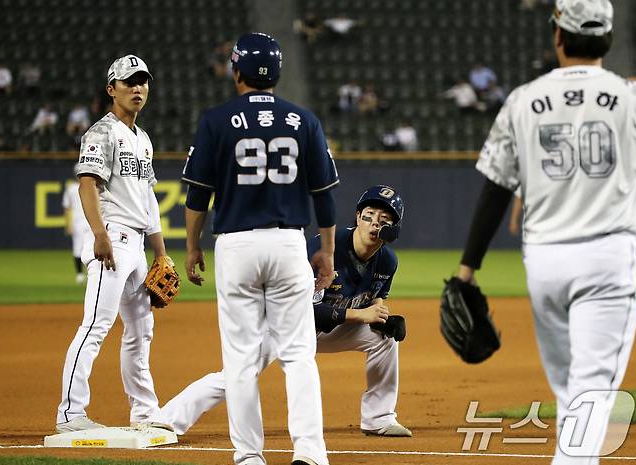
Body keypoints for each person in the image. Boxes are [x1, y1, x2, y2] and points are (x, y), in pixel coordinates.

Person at [456, 2, 636, 464]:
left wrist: (467, 268)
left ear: (558, 35)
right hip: (606, 260)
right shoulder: (632, 99)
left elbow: (496, 188)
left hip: (544, 264)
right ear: (609, 39)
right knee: (592, 390)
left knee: (571, 390)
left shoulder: (523, 100)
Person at [181, 33, 339, 465]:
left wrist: (193, 246)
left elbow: (197, 197)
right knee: (298, 355)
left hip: (236, 245)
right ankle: (309, 452)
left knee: (241, 359)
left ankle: (249, 455)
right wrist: (325, 250)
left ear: (237, 72)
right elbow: (324, 195)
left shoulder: (216, 120)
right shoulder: (303, 120)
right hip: (289, 243)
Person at [152, 185, 411, 439]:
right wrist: (360, 315)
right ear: (358, 217)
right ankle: (167, 419)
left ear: (394, 230)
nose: (375, 223)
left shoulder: (388, 261)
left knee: (384, 340)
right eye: (369, 215)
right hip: (280, 324)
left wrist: (382, 317)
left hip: (325, 329)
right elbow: (303, 311)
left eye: (384, 219)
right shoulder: (324, 250)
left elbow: (375, 300)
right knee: (236, 374)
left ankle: (379, 419)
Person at [56, 55, 171, 433]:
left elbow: (149, 200)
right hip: (113, 237)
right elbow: (87, 183)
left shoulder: (144, 138)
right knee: (96, 324)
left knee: (141, 331)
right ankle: (71, 413)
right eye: (129, 82)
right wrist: (99, 235)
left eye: (142, 82)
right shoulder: (101, 133)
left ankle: (144, 411)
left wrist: (161, 253)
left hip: (137, 244)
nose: (137, 88)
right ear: (112, 90)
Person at [62, 168, 91, 283]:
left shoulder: (71, 188)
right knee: (91, 248)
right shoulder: (91, 186)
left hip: (78, 222)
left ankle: (79, 274)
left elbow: (66, 208)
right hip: (89, 221)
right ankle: (88, 273)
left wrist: (67, 225)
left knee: (78, 248)